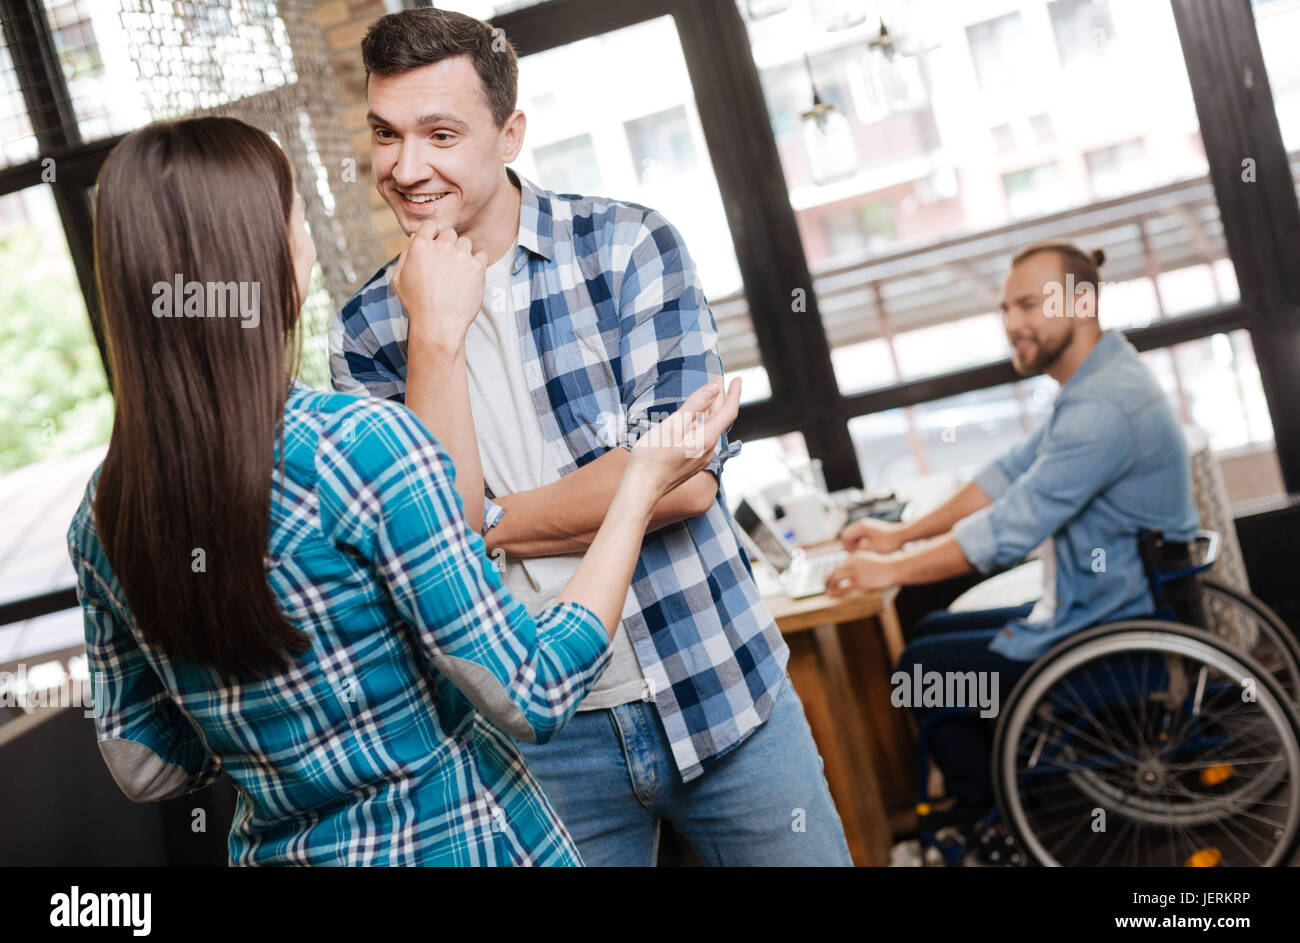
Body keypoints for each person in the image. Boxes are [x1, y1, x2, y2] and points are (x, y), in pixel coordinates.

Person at [66, 115, 741, 866]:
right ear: (272, 261)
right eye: (296, 218)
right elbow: (532, 690)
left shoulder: (102, 515)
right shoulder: (361, 446)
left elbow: (143, 763)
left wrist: (266, 726)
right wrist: (642, 478)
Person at [330, 7, 851, 866]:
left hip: (713, 684)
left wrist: (485, 522)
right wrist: (434, 337)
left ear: (509, 134)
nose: (406, 166)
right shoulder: (366, 330)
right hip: (535, 744)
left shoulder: (626, 247)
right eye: (387, 135)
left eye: (441, 133)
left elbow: (683, 481)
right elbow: (424, 562)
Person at [825, 240, 1199, 820]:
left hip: (1111, 635)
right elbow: (1005, 477)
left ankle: (994, 821)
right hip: (1101, 603)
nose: (1011, 324)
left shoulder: (1102, 407)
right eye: (1005, 309)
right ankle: (1007, 791)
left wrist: (890, 570)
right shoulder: (1100, 380)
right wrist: (899, 537)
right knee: (932, 632)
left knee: (920, 675)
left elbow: (1006, 531)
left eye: (1027, 305)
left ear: (1080, 303)